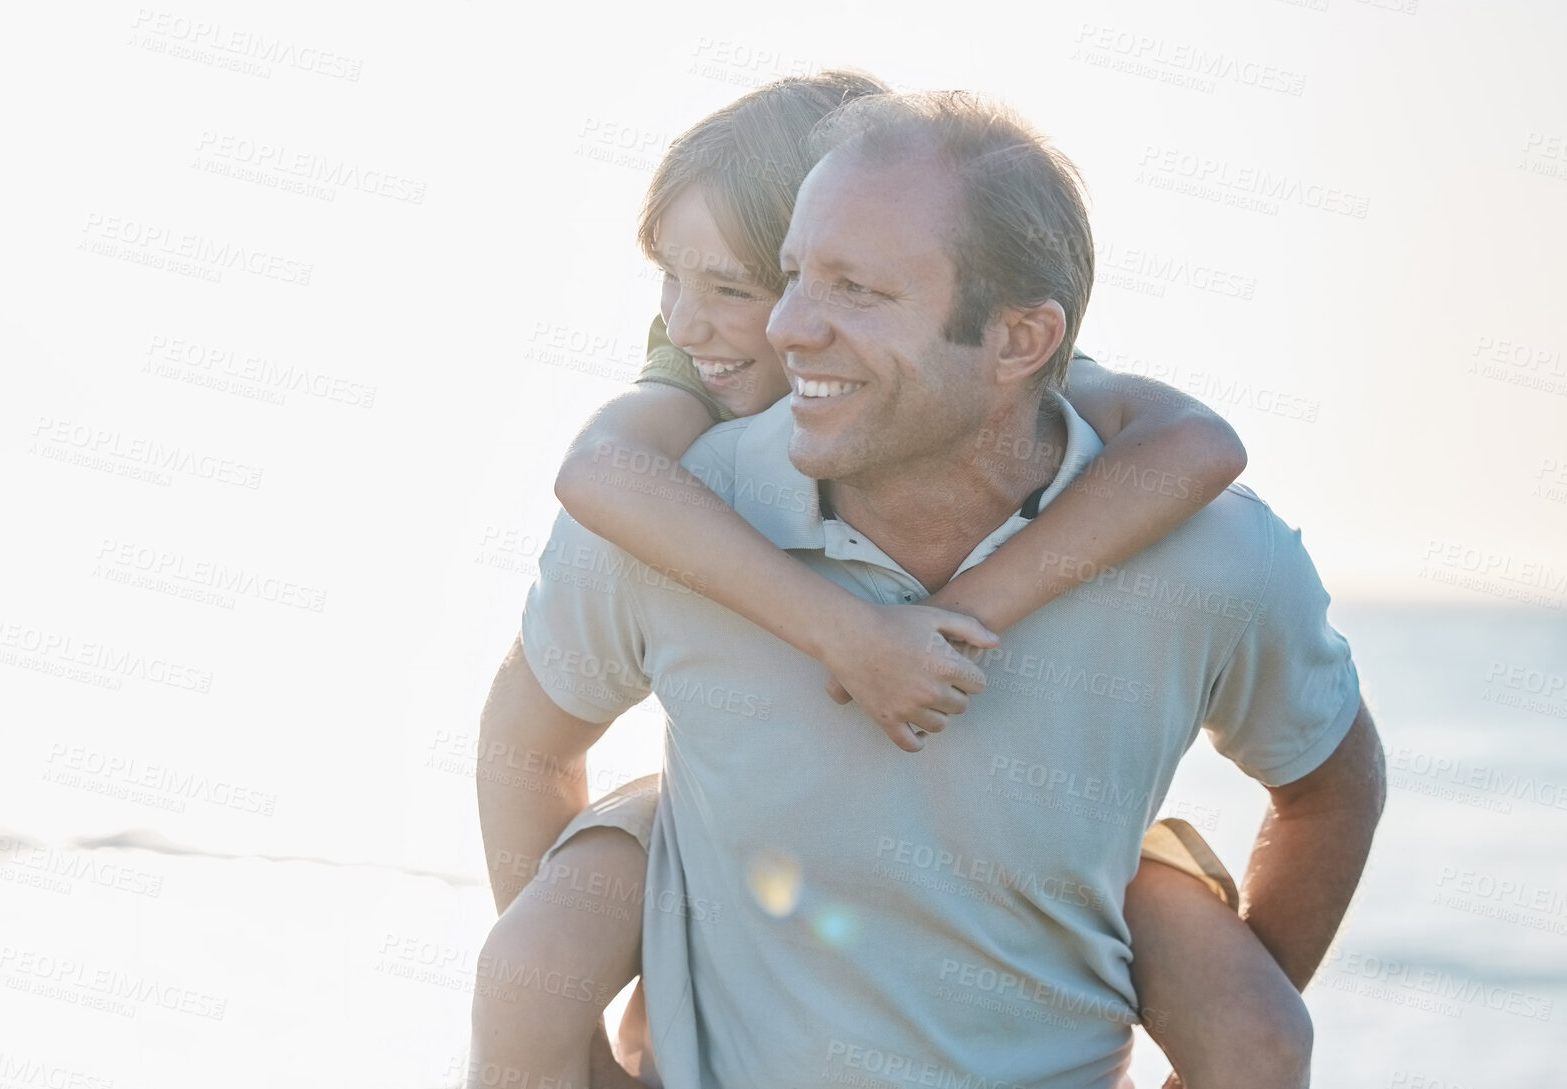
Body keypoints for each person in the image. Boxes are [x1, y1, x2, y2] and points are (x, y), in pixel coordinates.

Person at [474, 80, 1382, 1089]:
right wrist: (583, 1009)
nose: (783, 328)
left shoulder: (1205, 551)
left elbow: (1326, 786)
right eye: (789, 279)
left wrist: (1224, 1036)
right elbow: (527, 738)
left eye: (856, 290)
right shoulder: (665, 510)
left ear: (1019, 342)